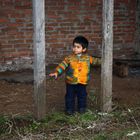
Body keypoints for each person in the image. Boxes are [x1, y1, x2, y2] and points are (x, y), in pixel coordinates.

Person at [49, 35, 101, 115]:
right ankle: (69, 109)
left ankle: (82, 108)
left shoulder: (88, 58)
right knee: (70, 96)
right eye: (74, 46)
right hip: (70, 82)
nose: (75, 48)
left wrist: (105, 60)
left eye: (78, 47)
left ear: (84, 49)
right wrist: (57, 72)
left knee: (82, 96)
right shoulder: (69, 58)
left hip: (82, 82)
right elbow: (62, 66)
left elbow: (97, 61)